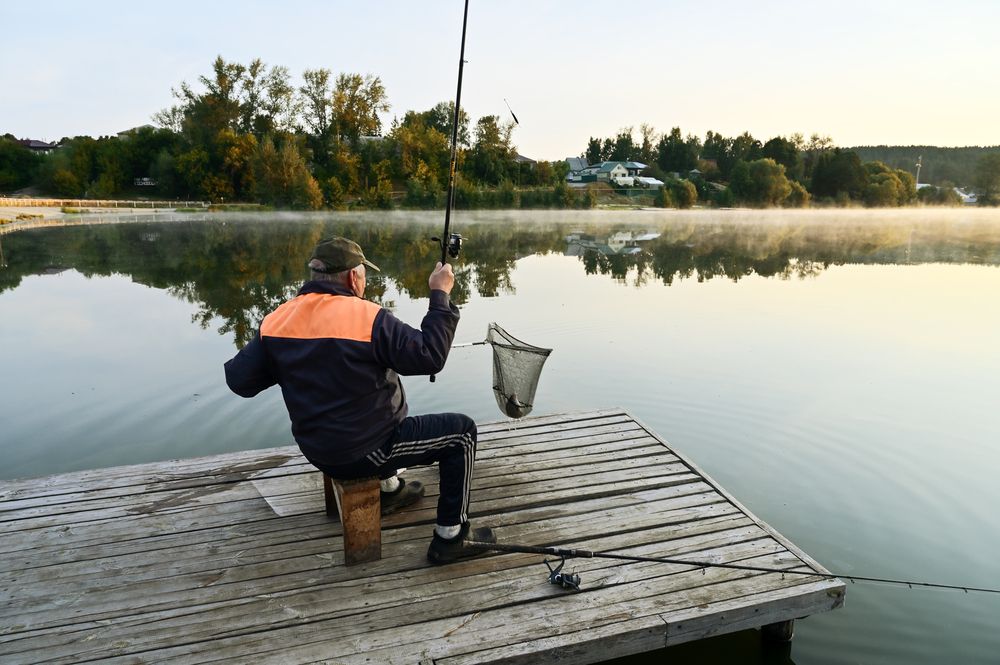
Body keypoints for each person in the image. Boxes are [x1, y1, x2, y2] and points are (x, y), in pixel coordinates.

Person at [224, 237, 494, 564]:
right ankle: (451, 537)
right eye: (364, 275)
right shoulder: (368, 317)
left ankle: (388, 490)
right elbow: (430, 356)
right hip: (365, 449)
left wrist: (290, 360)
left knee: (370, 404)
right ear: (353, 277)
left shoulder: (278, 319)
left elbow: (239, 381)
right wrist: (440, 294)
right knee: (461, 434)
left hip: (316, 449)